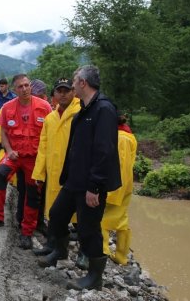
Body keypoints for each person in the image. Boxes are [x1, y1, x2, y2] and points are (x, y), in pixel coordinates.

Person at [37, 65, 121, 291]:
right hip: (74, 180)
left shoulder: (103, 109)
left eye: (74, 81)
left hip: (91, 184)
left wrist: (94, 186)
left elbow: (104, 150)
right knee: (56, 214)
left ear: (83, 83)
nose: (72, 85)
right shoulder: (85, 109)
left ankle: (95, 277)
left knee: (88, 229)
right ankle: (61, 250)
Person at [0, 74, 52, 250]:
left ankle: (27, 232)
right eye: (20, 87)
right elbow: (4, 132)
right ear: (14, 90)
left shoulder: (44, 107)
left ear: (31, 86)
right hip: (14, 155)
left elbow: (52, 132)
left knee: (33, 192)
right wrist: (8, 150)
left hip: (34, 158)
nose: (24, 89)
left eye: (27, 85)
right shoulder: (7, 108)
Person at [31, 77, 81, 255]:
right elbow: (43, 148)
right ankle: (53, 246)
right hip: (53, 173)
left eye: (66, 90)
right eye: (59, 91)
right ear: (54, 95)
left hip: (75, 173)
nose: (63, 94)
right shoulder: (50, 118)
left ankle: (84, 254)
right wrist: (39, 173)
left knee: (79, 216)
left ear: (73, 92)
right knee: (53, 211)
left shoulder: (81, 113)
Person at [101, 112, 137, 265]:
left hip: (115, 187)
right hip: (126, 185)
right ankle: (121, 256)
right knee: (122, 220)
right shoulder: (129, 136)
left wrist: (110, 191)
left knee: (100, 221)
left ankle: (102, 252)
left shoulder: (120, 138)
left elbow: (119, 166)